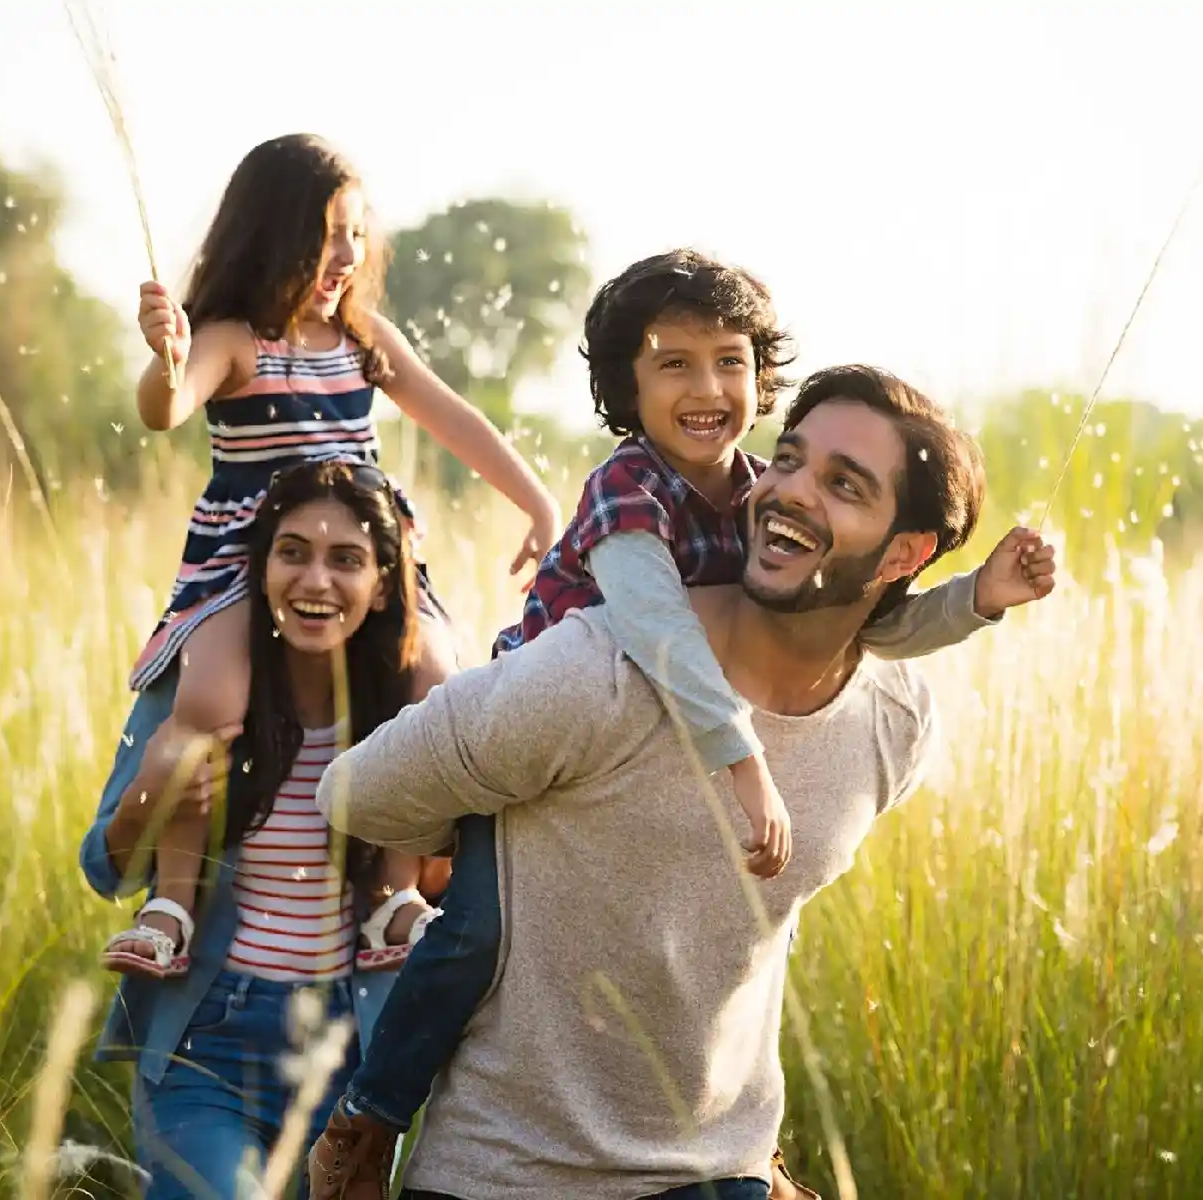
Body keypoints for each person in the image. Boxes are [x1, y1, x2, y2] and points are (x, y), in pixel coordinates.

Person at [307, 250, 1022, 1199]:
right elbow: (653, 627)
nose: (796, 490)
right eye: (671, 363)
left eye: (729, 362)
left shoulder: (885, 714)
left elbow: (884, 621)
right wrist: (489, 816)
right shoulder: (617, 541)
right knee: (473, 931)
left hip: (717, 1173)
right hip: (510, 1164)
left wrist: (980, 599)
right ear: (625, 387)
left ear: (906, 551)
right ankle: (368, 1120)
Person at [99, 132, 561, 982]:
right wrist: (165, 357)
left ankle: (392, 894)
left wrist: (535, 499)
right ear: (268, 235)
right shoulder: (235, 338)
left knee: (430, 685)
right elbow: (167, 407)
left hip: (365, 567)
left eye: (355, 232)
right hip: (249, 566)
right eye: (323, 234)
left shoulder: (363, 341)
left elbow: (453, 418)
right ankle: (171, 901)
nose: (344, 255)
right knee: (211, 695)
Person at [77, 459, 453, 1195]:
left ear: (382, 585)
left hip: (354, 1047)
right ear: (262, 566)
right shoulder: (197, 688)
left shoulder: (405, 713)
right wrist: (153, 789)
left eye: (346, 560)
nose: (315, 582)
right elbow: (106, 867)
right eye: (293, 554)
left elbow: (446, 887)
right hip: (206, 1037)